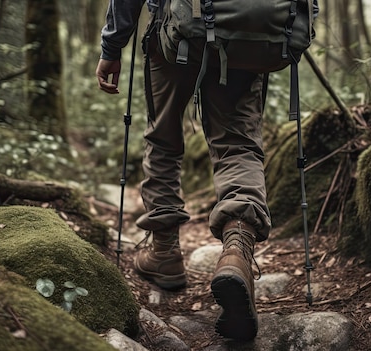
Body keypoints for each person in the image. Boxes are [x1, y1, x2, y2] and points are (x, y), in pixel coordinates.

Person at [96, 0, 282, 342]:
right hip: (246, 35)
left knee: (164, 137)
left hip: (173, 32)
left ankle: (164, 250)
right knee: (238, 144)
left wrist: (112, 45)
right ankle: (236, 250)